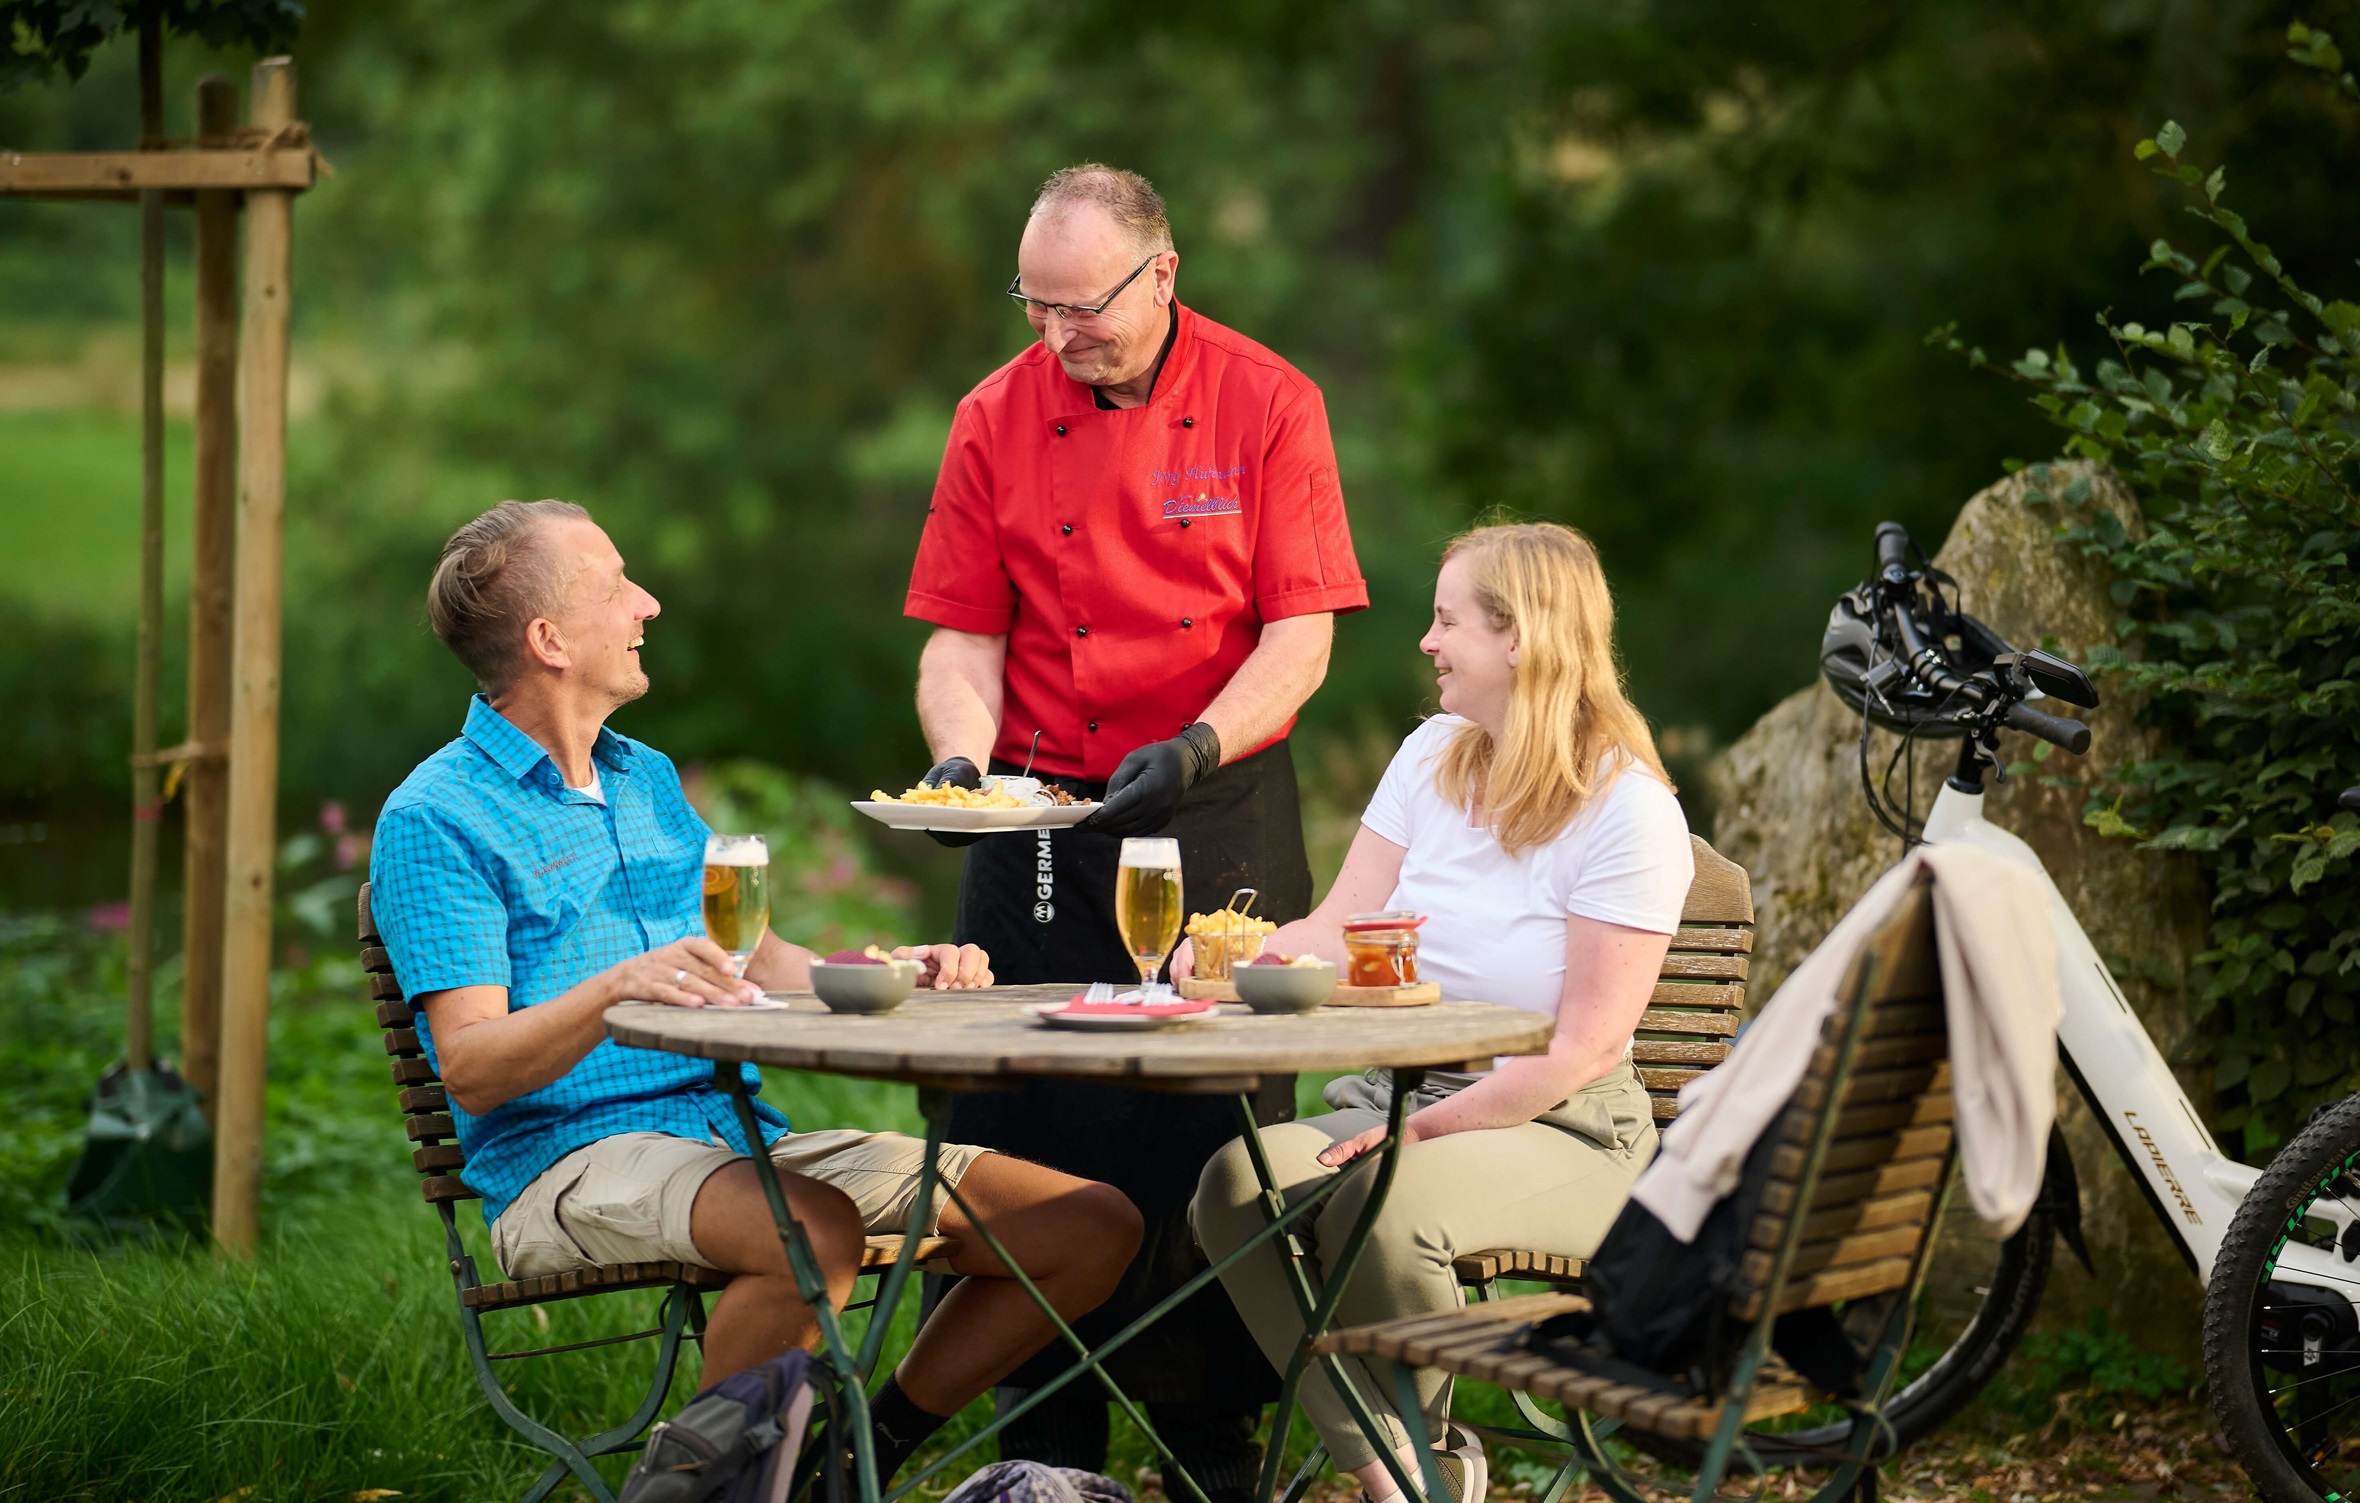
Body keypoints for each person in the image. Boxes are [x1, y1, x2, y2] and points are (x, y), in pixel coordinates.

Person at [369, 500, 1144, 1483]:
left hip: (733, 1139)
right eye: (616, 586)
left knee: (1087, 1225)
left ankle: (845, 1463)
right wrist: (616, 991)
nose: (647, 604)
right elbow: (473, 1067)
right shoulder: (437, 815)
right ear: (549, 640)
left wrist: (892, 972)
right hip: (563, 1161)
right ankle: (705, 1489)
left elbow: (765, 961)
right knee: (810, 1232)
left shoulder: (644, 778)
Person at [902, 164, 1368, 1496]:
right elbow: (961, 639)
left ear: (1161, 274)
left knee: (1211, 1131)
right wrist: (960, 763)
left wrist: (1200, 744)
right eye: (1034, 305)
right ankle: (1039, 1450)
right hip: (1041, 811)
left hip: (1214, 800)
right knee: (1021, 1115)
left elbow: (1300, 636)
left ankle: (1213, 1448)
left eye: (1082, 307)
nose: (1057, 335)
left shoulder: (1269, 399)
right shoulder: (992, 415)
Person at [1187, 522, 1696, 1503]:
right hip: (1397, 1096)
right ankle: (1400, 1470)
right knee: (1235, 1185)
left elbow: (1584, 1049)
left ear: (1520, 637)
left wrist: (1416, 1134)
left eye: (1446, 620)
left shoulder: (1628, 810)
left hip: (1563, 1127)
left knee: (1381, 1204)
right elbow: (1339, 926)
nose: (1425, 641)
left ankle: (1418, 1460)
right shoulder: (1431, 754)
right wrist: (1237, 955)